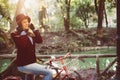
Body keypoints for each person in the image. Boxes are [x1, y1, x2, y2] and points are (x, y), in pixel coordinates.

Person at [11, 13, 52, 80]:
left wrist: (35, 30)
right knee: (49, 72)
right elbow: (22, 44)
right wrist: (25, 32)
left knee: (48, 69)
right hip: (23, 65)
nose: (27, 23)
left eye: (27, 21)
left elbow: (39, 40)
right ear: (19, 24)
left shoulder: (30, 32)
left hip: (32, 63)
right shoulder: (15, 34)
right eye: (24, 22)